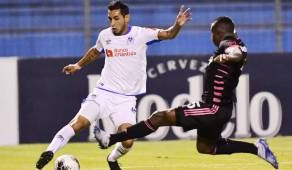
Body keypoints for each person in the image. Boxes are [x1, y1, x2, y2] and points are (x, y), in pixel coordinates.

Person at [94, 16, 279, 169]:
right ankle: (257, 149)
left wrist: (227, 55)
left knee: (159, 117)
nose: (212, 38)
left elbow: (236, 52)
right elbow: (240, 52)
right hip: (220, 109)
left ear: (218, 32)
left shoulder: (229, 43)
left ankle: (110, 138)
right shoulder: (237, 42)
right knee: (205, 147)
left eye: (212, 34)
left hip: (212, 108)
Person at [35, 0, 191, 170]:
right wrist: (77, 65)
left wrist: (178, 25)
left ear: (126, 17)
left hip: (125, 99)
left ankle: (112, 159)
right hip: (103, 92)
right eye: (109, 19)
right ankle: (49, 152)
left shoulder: (142, 34)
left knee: (128, 141)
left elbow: (168, 34)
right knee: (79, 123)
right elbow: (96, 50)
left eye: (116, 18)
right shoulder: (105, 35)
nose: (112, 23)